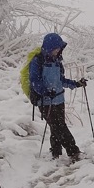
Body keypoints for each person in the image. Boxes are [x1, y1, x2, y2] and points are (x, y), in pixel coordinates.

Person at [28, 32, 87, 160]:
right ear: (48, 47)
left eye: (59, 48)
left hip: (59, 100)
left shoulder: (57, 62)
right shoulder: (37, 61)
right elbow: (34, 81)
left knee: (57, 127)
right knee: (60, 127)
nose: (58, 51)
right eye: (56, 48)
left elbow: (61, 80)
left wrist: (76, 84)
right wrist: (45, 92)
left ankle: (55, 152)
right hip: (45, 102)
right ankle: (73, 152)